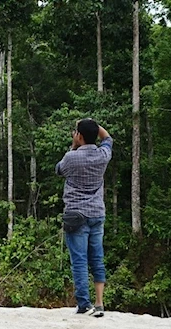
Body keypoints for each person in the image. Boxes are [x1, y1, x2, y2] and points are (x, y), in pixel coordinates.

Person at [55, 118, 113, 317]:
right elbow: (108, 139)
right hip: (97, 213)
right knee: (97, 258)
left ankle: (84, 304)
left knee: (79, 261)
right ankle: (99, 303)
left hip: (76, 215)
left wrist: (73, 146)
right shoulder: (103, 155)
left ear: (78, 136)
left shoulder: (71, 158)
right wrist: (96, 127)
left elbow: (58, 170)